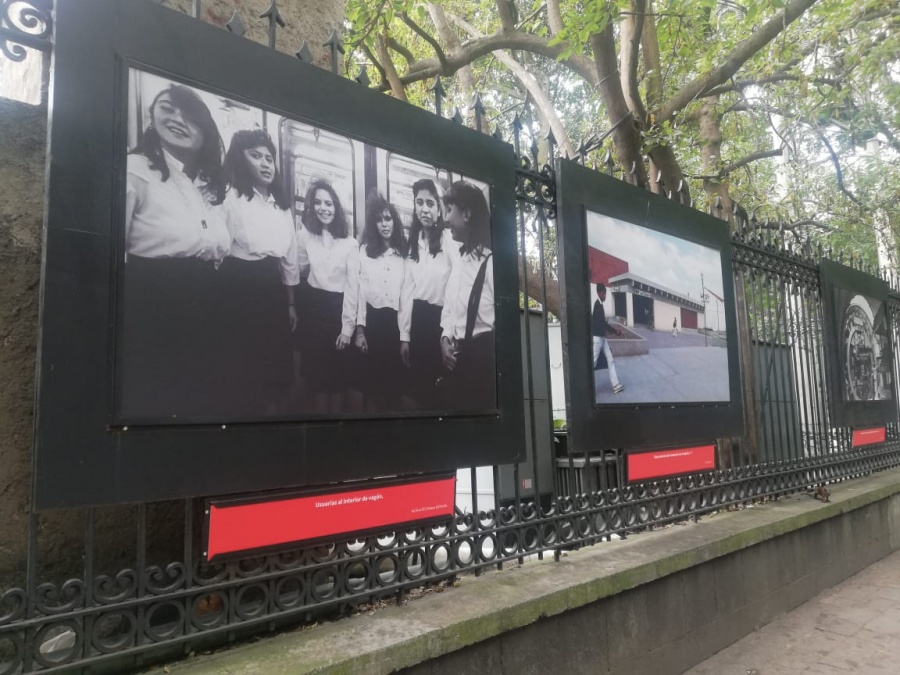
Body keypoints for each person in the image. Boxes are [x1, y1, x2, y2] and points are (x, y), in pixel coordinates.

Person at [121, 83, 231, 421]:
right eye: (168, 108)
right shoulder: (133, 170)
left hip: (206, 306)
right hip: (155, 307)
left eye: (190, 116)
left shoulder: (207, 187)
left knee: (203, 403)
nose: (178, 119)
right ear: (153, 118)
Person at [220, 129, 300, 416]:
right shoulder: (231, 200)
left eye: (269, 158)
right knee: (245, 373)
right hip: (239, 288)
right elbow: (219, 251)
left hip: (272, 290)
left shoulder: (282, 208)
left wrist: (290, 303)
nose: (266, 164)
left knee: (276, 373)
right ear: (240, 160)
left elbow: (289, 261)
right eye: (256, 156)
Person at [295, 179, 359, 414]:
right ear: (311, 206)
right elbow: (300, 268)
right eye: (318, 203)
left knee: (337, 379)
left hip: (337, 312)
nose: (324, 208)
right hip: (313, 311)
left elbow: (353, 288)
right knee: (318, 379)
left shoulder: (350, 244)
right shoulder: (305, 236)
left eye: (329, 203)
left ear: (337, 208)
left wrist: (347, 328)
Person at [438, 181, 496, 411]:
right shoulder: (460, 263)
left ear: (467, 214)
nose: (445, 219)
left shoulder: (491, 263)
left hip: (482, 366)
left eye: (449, 210)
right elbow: (450, 310)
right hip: (460, 364)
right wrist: (444, 340)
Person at [354, 193, 412, 411]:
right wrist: (360, 332)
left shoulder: (404, 255)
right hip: (373, 325)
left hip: (394, 327)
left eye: (388, 219)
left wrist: (404, 338)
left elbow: (406, 299)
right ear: (373, 224)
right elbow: (360, 293)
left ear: (394, 222)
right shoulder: (365, 253)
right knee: (371, 388)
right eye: (379, 220)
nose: (384, 224)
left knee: (393, 389)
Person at [404, 178, 454, 409]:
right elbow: (407, 290)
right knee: (416, 392)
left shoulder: (449, 240)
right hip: (418, 321)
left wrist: (447, 333)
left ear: (439, 209)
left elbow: (456, 288)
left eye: (430, 203)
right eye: (419, 202)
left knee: (440, 394)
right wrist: (405, 335)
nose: (424, 208)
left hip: (441, 320)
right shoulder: (412, 242)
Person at [592, 283, 624, 394]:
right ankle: (586, 387)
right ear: (600, 293)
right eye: (604, 293)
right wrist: (615, 331)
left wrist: (613, 331)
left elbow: (603, 324)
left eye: (605, 293)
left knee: (610, 359)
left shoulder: (600, 305)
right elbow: (602, 324)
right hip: (597, 340)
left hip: (602, 338)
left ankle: (616, 385)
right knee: (593, 364)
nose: (605, 295)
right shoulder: (597, 306)